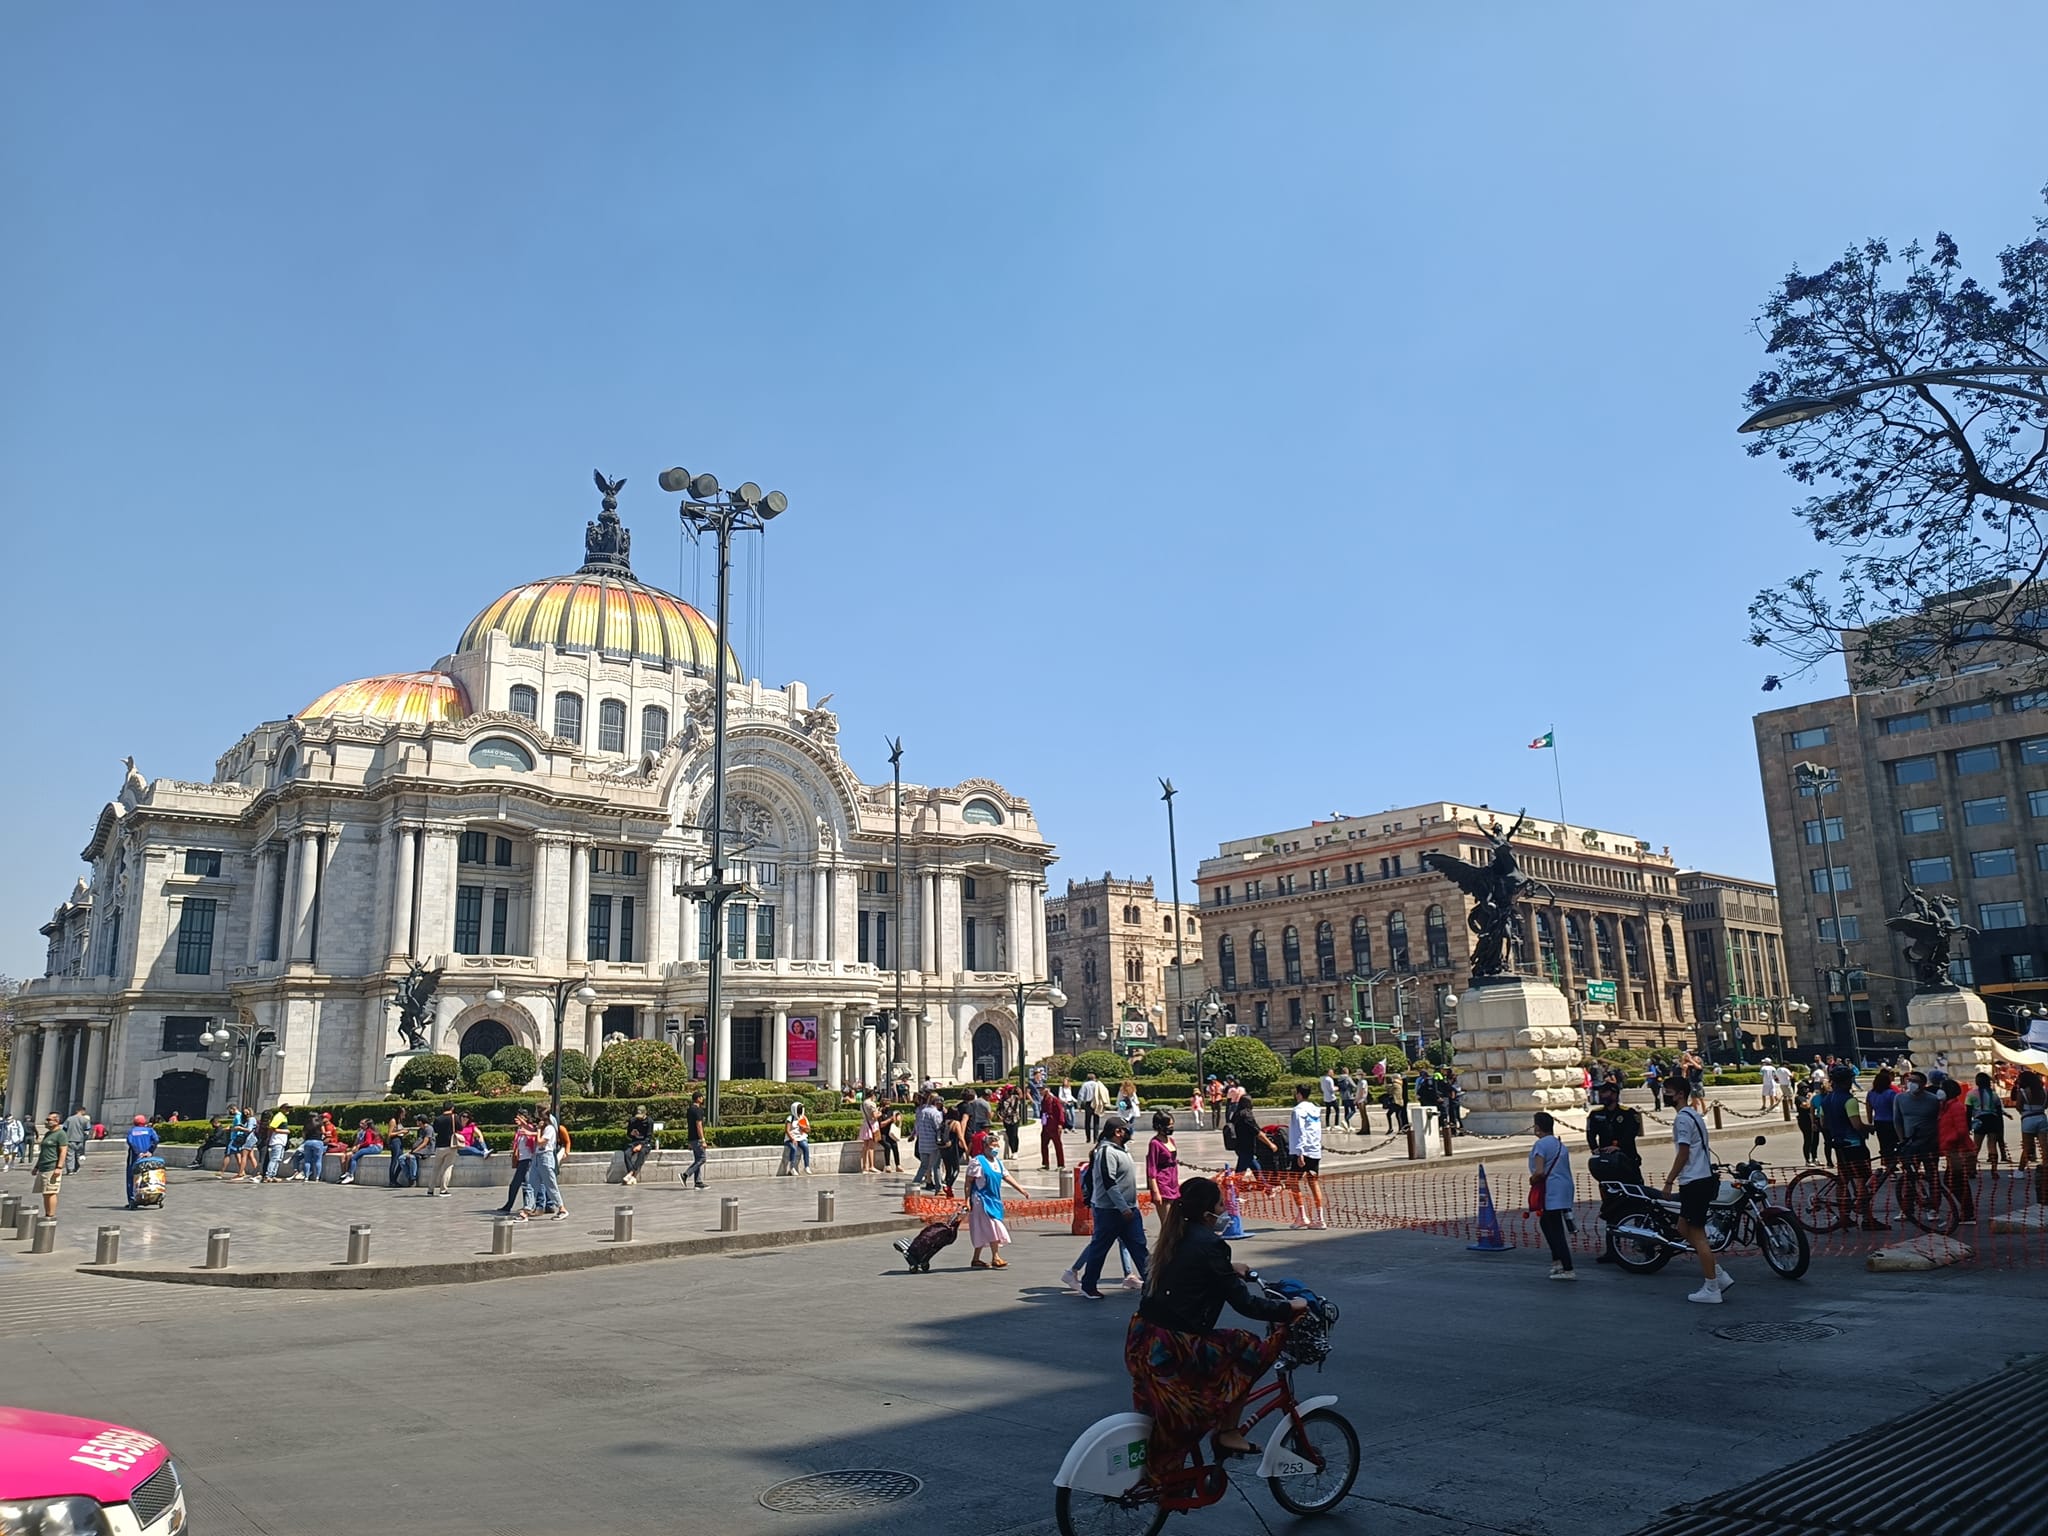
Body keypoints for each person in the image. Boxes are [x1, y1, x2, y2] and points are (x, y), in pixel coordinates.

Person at [1127, 1177, 1307, 1464]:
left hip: (1145, 1338)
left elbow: (1191, 1272)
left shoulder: (1175, 1235)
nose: (1226, 1209)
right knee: (1246, 1346)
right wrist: (1289, 1308)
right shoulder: (1212, 1245)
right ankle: (1229, 1432)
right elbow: (1245, 1304)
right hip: (1177, 1344)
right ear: (1206, 1211)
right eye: (1221, 1203)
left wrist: (1227, 1269)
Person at [1661, 1077, 1728, 1303]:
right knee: (1683, 1227)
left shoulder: (1682, 1119)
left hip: (1694, 1180)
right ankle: (1718, 1275)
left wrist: (1669, 1179)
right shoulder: (1694, 1114)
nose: (1665, 1095)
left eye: (1668, 1091)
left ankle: (1712, 1288)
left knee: (1698, 1235)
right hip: (1702, 1178)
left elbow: (1683, 1153)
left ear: (1679, 1094)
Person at [1077, 1117, 1150, 1299]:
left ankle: (1152, 1282)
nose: (1129, 1132)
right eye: (1126, 1129)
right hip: (1110, 1210)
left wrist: (1131, 1206)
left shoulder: (1122, 1150)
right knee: (1100, 1248)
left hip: (1129, 1208)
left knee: (1139, 1247)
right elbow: (1109, 1182)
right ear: (1118, 1132)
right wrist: (1123, 1207)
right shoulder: (1106, 1152)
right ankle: (1089, 1285)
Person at [1818, 1064, 1885, 1229]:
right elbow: (1857, 1125)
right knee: (1863, 1181)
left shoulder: (1826, 1100)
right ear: (1848, 1081)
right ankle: (1867, 1218)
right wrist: (1871, 1128)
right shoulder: (1849, 1100)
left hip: (1838, 1145)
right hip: (1854, 1145)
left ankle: (1844, 1216)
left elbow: (1823, 1123)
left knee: (1842, 1180)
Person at [1585, 1078, 1643, 1263]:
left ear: (1615, 1094)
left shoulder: (1628, 1113)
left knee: (1638, 1203)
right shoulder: (1596, 1115)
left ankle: (1643, 1242)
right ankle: (1612, 1250)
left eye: (1605, 1092)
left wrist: (1618, 1146)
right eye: (1600, 1092)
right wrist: (1594, 1147)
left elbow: (1631, 1132)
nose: (1602, 1095)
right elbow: (1590, 1133)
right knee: (1610, 1208)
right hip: (1608, 1168)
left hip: (1628, 1165)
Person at [1529, 1111, 1576, 1280]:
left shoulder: (1541, 1145)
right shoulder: (1559, 1144)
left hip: (1551, 1191)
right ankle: (1557, 1262)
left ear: (1537, 1127)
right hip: (1565, 1188)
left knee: (1555, 1229)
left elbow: (1540, 1172)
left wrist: (1532, 1179)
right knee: (1546, 1223)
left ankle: (1568, 1268)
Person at [965, 1130, 1021, 1269]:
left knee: (983, 1228)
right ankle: (996, 1257)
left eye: (997, 1146)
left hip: (994, 1200)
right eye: (992, 1146)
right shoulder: (977, 1161)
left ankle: (976, 1258)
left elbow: (1006, 1177)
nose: (995, 1149)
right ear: (985, 1147)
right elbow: (968, 1182)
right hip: (981, 1200)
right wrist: (967, 1200)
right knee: (992, 1226)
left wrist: (1021, 1189)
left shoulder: (997, 1163)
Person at [1937, 1077, 1977, 1222]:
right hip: (1952, 1150)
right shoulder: (1946, 1106)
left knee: (1956, 1181)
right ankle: (1967, 1211)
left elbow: (1962, 1130)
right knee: (1954, 1181)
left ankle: (1968, 1212)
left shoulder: (1956, 1107)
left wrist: (1948, 1141)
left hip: (1958, 1150)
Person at [1287, 1083, 1327, 1229]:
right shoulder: (1315, 1109)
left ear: (1298, 1094)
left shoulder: (1298, 1111)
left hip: (1302, 1151)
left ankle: (1302, 1216)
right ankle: (1320, 1218)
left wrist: (1300, 1152)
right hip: (1315, 1150)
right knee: (1313, 1182)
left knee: (1292, 1182)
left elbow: (1300, 1131)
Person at [1227, 1089, 1276, 1179]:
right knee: (1240, 1172)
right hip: (1246, 1147)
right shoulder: (1246, 1115)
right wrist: (1271, 1144)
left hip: (1239, 1146)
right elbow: (1257, 1132)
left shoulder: (1237, 1113)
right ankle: (1233, 1189)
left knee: (1256, 1168)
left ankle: (1266, 1187)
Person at [1144, 1109, 1181, 1226]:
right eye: (1169, 1125)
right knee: (1167, 1224)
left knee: (1176, 1222)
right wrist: (1155, 1191)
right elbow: (1152, 1167)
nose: (1171, 1127)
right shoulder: (1155, 1143)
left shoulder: (1171, 1141)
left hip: (1173, 1183)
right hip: (1162, 1184)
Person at [527, 1107, 565, 1218]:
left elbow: (540, 1142)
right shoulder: (545, 1129)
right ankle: (527, 1209)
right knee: (532, 1184)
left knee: (550, 1184)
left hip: (546, 1157)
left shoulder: (549, 1129)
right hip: (538, 1157)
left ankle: (562, 1208)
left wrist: (538, 1130)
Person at [2016, 1070, 2048, 1194]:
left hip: (2028, 1118)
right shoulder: (2043, 1091)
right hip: (2041, 1117)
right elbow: (2046, 1106)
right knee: (2044, 1146)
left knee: (2027, 1147)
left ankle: (2020, 1171)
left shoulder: (2023, 1092)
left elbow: (2018, 1105)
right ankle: (2046, 1166)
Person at [1969, 1072, 2008, 1171]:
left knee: (1976, 1146)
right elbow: (1999, 1112)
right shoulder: (1994, 1095)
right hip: (1993, 1120)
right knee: (1992, 1145)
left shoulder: (1971, 1094)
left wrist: (1968, 1125)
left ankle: (1972, 1169)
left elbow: (1968, 1111)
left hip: (1980, 1120)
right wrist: (1999, 1127)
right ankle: (1994, 1169)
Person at [499, 1113, 535, 1214]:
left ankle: (527, 1206)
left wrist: (528, 1133)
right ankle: (517, 1205)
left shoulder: (529, 1129)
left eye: (519, 1117)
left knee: (523, 1185)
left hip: (527, 1159)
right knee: (522, 1184)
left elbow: (532, 1141)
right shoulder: (519, 1130)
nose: (516, 1119)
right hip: (521, 1159)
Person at [123, 1114, 159, 1209]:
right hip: (147, 1157)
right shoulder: (150, 1130)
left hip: (135, 1157)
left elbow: (130, 1142)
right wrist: (149, 1151)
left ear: (134, 1123)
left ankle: (132, 1199)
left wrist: (138, 1152)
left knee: (131, 1178)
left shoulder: (132, 1131)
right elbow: (156, 1140)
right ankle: (148, 1196)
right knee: (147, 1176)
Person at [427, 1102, 459, 1196]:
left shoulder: (438, 1119)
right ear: (452, 1108)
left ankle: (430, 1189)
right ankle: (443, 1190)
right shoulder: (454, 1117)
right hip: (451, 1145)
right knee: (448, 1167)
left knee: (436, 1168)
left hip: (439, 1145)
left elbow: (435, 1130)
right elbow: (460, 1127)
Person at [914, 1092, 944, 1191]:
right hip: (933, 1143)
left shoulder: (922, 1111)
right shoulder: (935, 1113)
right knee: (936, 1166)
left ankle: (914, 1185)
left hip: (922, 1143)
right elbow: (938, 1127)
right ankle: (938, 1188)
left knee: (923, 1166)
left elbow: (917, 1126)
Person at [939, 1100, 967, 1197]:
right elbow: (960, 1137)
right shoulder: (956, 1123)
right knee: (956, 1169)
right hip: (952, 1148)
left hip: (943, 1148)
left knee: (948, 1169)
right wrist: (966, 1149)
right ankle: (948, 1186)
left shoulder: (944, 1122)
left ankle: (947, 1188)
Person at [1794, 1078, 1823, 1166]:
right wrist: (1811, 1098)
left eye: (1807, 1088)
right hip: (1804, 1120)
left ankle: (1815, 1157)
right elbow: (1806, 1106)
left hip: (1813, 1119)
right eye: (1804, 1088)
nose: (1806, 1090)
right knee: (1808, 1139)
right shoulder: (1799, 1098)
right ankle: (1808, 1159)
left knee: (1815, 1140)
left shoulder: (1807, 1097)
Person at [1039, 1082, 1069, 1169]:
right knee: (1044, 1144)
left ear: (1047, 1090)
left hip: (1054, 1125)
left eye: (1042, 1089)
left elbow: (1060, 1112)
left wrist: (1060, 1124)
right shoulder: (1043, 1100)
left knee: (1057, 1145)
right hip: (1046, 1125)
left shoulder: (1054, 1099)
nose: (1040, 1091)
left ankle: (1061, 1164)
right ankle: (1045, 1163)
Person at [682, 1091, 708, 1190]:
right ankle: (685, 1174)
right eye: (701, 1097)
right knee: (702, 1159)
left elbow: (689, 1126)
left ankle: (698, 1182)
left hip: (692, 1138)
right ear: (698, 1099)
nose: (702, 1099)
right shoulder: (698, 1110)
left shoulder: (689, 1110)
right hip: (697, 1139)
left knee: (697, 1160)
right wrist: (702, 1140)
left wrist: (689, 1141)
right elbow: (699, 1125)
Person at [622, 1107, 654, 1185]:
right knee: (627, 1153)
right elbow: (628, 1134)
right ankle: (632, 1175)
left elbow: (649, 1137)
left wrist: (641, 1145)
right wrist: (631, 1134)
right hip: (635, 1141)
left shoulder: (649, 1121)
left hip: (645, 1143)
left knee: (642, 1152)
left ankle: (631, 1173)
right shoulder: (632, 1121)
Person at [782, 1100, 812, 1176]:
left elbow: (808, 1129)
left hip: (801, 1137)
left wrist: (803, 1128)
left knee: (805, 1147)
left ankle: (807, 1166)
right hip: (790, 1138)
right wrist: (792, 1139)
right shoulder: (790, 1118)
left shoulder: (803, 1117)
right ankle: (792, 1168)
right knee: (793, 1148)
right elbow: (787, 1130)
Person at [873, 1101, 901, 1173]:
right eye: (886, 1105)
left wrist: (897, 1118)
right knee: (887, 1146)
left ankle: (898, 1165)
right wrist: (890, 1120)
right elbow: (881, 1125)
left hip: (889, 1133)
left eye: (889, 1105)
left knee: (894, 1145)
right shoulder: (879, 1113)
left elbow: (897, 1117)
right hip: (881, 1134)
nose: (888, 1107)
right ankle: (887, 1165)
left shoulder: (891, 1112)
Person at [62, 1106, 91, 1173]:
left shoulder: (69, 1119)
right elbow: (87, 1130)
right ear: (83, 1111)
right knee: (77, 1155)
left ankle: (70, 1169)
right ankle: (76, 1167)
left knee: (70, 1155)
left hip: (70, 1139)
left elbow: (64, 1129)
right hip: (80, 1140)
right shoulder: (85, 1120)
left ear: (77, 1111)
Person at [1078, 1073, 1107, 1141]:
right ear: (1094, 1078)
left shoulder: (1085, 1085)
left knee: (1087, 1121)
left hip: (1088, 1104)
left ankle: (1088, 1138)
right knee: (1096, 1121)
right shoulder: (1098, 1084)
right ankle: (1095, 1138)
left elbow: (1080, 1095)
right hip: (1096, 1103)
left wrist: (1079, 1105)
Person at [997, 1085, 1023, 1157]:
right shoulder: (1002, 1100)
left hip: (1014, 1119)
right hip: (1006, 1120)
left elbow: (1021, 1096)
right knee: (1009, 1135)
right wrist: (1000, 1116)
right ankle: (1012, 1150)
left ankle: (1015, 1152)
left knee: (1014, 1135)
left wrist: (1018, 1089)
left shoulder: (1015, 1098)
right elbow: (999, 1109)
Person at [858, 1092, 880, 1175]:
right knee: (871, 1146)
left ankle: (864, 1166)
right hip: (872, 1125)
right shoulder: (872, 1104)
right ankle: (871, 1166)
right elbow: (874, 1116)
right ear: (872, 1095)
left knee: (865, 1146)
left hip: (865, 1124)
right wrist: (879, 1113)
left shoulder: (862, 1104)